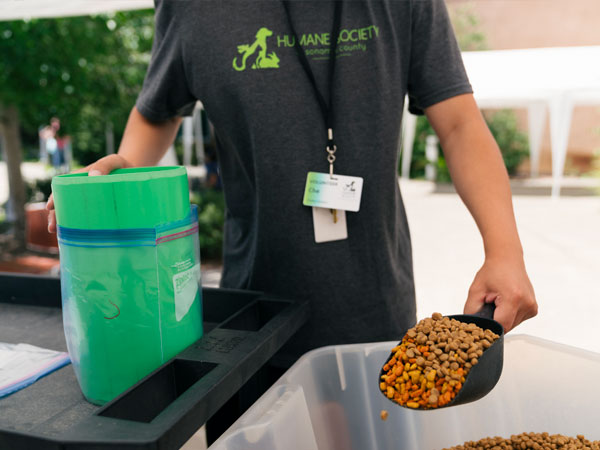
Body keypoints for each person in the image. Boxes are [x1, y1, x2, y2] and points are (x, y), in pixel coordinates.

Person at [48, 0, 537, 365]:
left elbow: (459, 124)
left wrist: (505, 253)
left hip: (377, 314)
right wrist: (119, 172)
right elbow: (157, 113)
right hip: (251, 323)